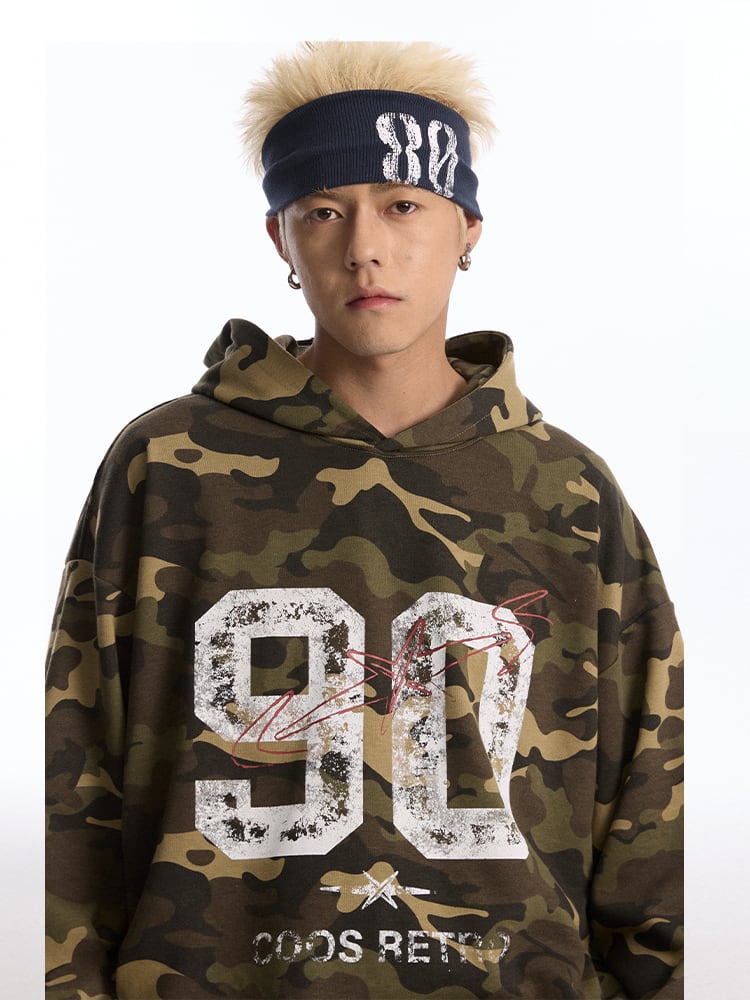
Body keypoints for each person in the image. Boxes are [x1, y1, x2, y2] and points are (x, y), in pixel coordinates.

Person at [45, 40, 683, 999]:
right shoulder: (168, 465)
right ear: (281, 240)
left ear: (468, 228)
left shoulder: (568, 490)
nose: (364, 248)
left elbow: (650, 803)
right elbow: (77, 775)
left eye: (403, 205)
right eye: (323, 211)